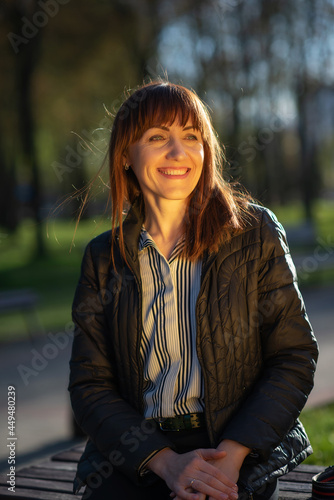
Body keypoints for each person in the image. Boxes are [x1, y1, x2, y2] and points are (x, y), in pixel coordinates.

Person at [68, 81, 318, 500]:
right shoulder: (103, 257)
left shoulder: (255, 234)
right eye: (157, 137)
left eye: (191, 136)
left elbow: (294, 356)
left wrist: (231, 456)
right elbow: (89, 386)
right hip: (138, 458)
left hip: (238, 451)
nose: (177, 152)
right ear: (125, 155)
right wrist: (165, 462)